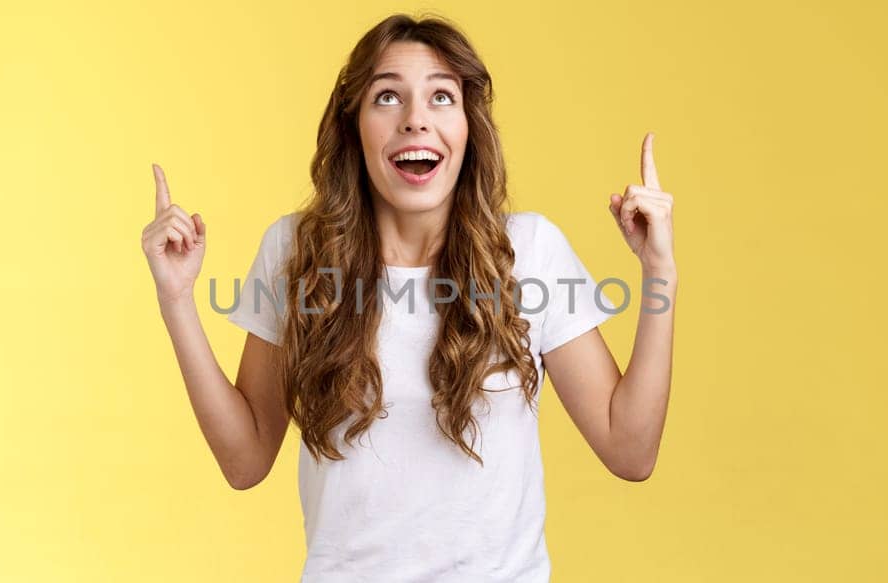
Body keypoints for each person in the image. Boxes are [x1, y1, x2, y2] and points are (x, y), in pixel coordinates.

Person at [140, 13, 677, 582]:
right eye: (388, 97)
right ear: (354, 126)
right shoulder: (295, 252)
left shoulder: (529, 251)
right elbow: (244, 461)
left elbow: (630, 451)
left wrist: (659, 270)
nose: (416, 120)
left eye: (441, 97)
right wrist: (176, 299)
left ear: (469, 127)